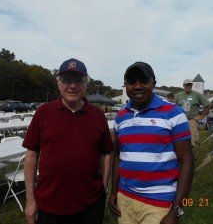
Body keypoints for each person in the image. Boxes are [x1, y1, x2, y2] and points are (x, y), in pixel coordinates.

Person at [23, 58, 113, 224]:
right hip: (50, 203)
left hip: (90, 204)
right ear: (58, 84)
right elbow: (31, 155)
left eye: (78, 80)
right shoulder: (43, 112)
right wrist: (30, 200)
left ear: (86, 85)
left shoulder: (98, 115)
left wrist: (103, 187)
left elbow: (105, 153)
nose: (73, 85)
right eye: (66, 80)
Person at [108, 62, 194, 224]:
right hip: (125, 199)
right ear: (125, 86)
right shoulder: (121, 116)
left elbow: (187, 161)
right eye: (132, 82)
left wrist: (175, 210)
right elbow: (118, 155)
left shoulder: (173, 113)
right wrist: (114, 192)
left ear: (153, 83)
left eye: (144, 81)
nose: (137, 86)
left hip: (159, 203)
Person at [174, 79, 212, 148]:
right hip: (180, 121)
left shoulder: (196, 94)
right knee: (179, 139)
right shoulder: (178, 95)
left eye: (190, 85)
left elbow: (208, 105)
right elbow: (174, 108)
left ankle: (191, 155)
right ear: (183, 86)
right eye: (187, 85)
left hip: (192, 120)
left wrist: (201, 116)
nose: (188, 86)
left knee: (192, 141)